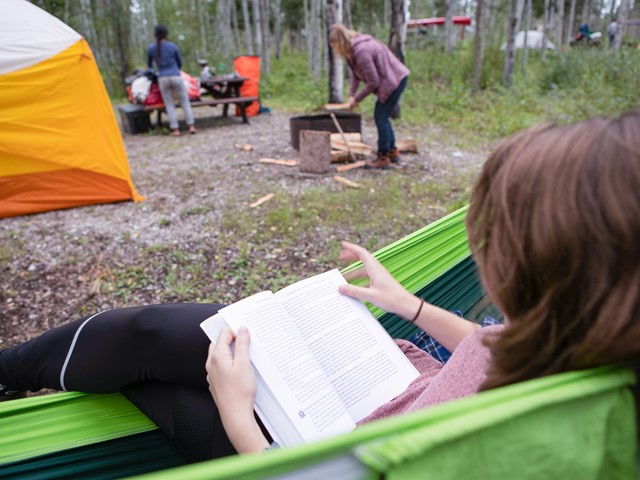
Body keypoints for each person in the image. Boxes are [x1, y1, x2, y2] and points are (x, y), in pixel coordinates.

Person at [1, 111, 639, 461]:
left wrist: (233, 410)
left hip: (313, 447)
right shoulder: (587, 338)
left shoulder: (554, 438)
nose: (481, 247)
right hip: (385, 385)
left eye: (495, 235)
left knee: (149, 378)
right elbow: (496, 345)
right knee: (147, 333)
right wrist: (410, 306)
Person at [328, 24, 409, 169]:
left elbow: (373, 82)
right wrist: (351, 95)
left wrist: (357, 99)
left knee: (381, 116)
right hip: (391, 79)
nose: (335, 51)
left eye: (334, 47)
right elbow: (355, 74)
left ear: (339, 43)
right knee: (382, 116)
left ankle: (383, 157)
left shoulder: (362, 52)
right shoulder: (352, 51)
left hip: (395, 80)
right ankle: (392, 151)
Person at [147, 24, 197, 137]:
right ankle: (191, 126)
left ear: (155, 34)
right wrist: (175, 69)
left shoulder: (151, 48)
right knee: (184, 102)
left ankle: (175, 129)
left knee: (169, 104)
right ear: (166, 33)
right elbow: (179, 63)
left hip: (162, 78)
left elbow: (149, 66)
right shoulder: (172, 46)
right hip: (176, 75)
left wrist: (155, 73)